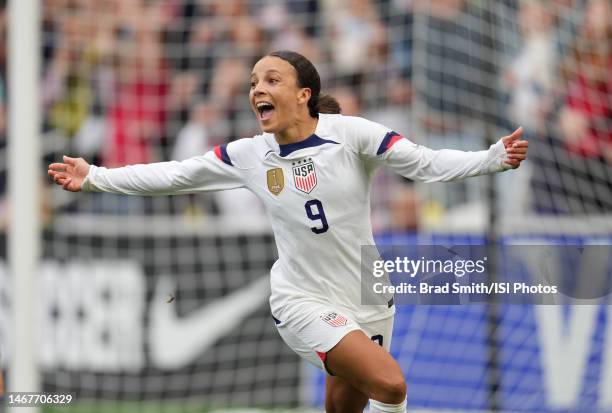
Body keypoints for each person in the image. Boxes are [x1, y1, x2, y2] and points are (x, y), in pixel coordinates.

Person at [49, 50, 528, 412]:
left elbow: (424, 163)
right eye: (254, 81)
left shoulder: (353, 135)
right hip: (301, 299)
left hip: (367, 296)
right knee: (392, 384)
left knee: (346, 408)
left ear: (304, 94)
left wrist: (490, 158)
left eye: (272, 79)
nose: (258, 88)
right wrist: (96, 177)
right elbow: (174, 175)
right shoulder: (249, 154)